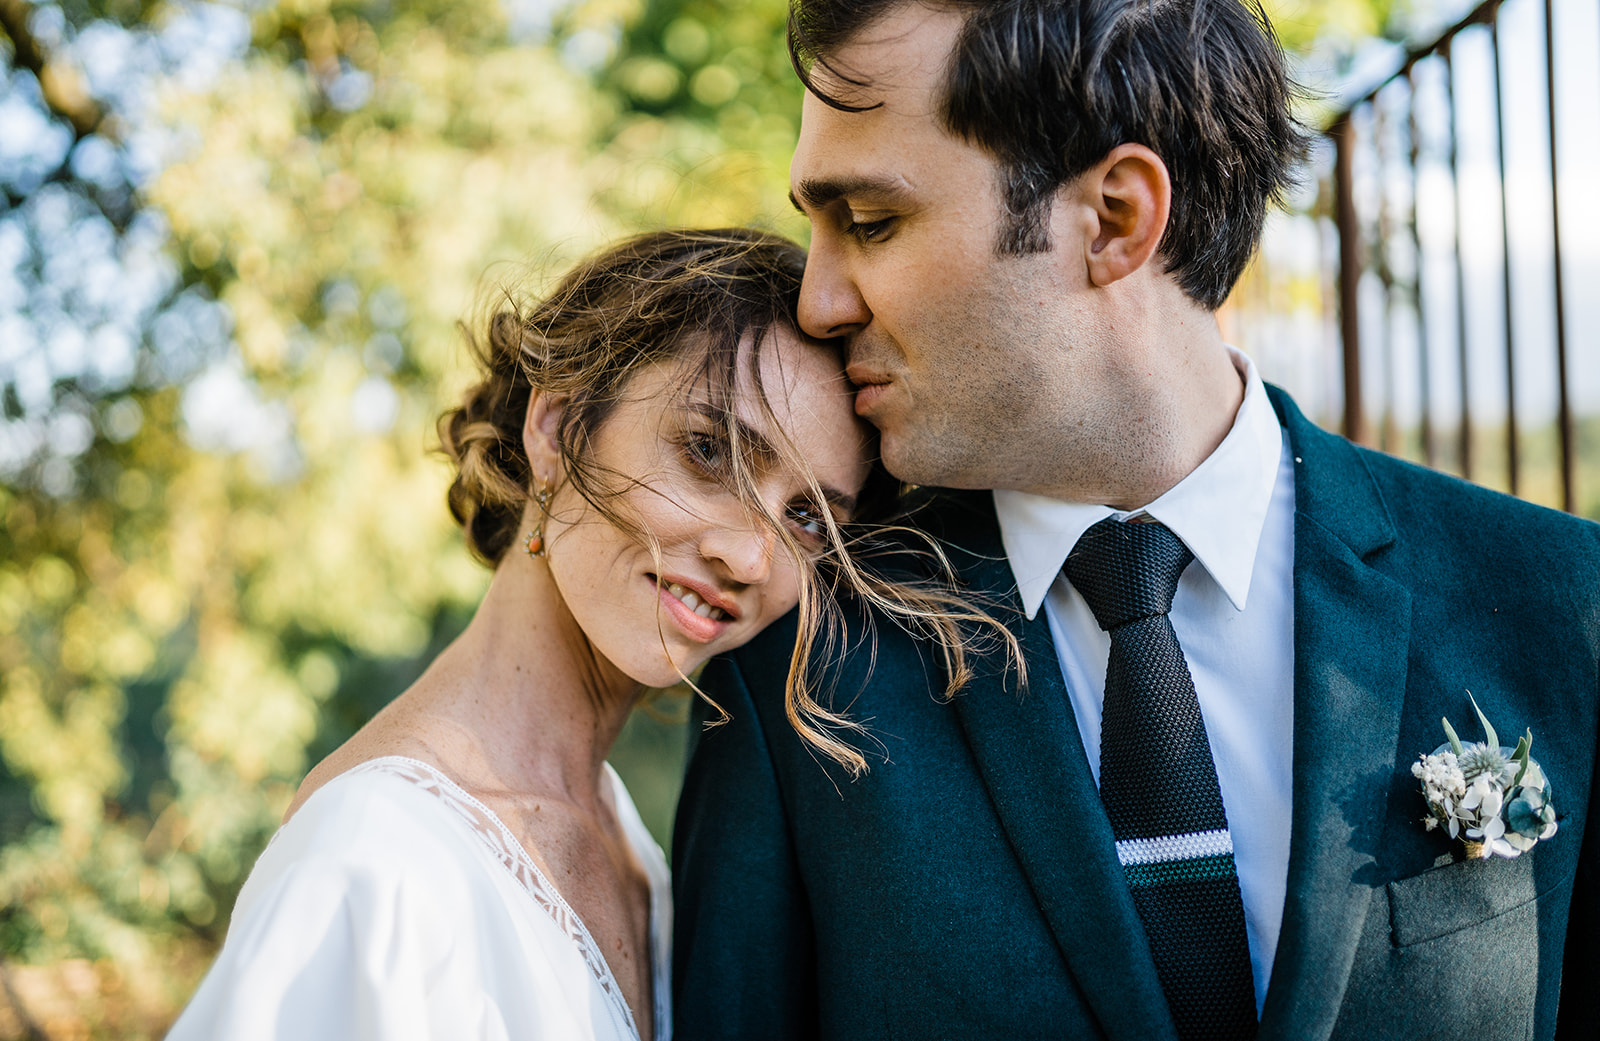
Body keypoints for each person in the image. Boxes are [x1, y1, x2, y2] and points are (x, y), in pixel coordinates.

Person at [671, 3, 1600, 1039]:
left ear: (1115, 217)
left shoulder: (1564, 601)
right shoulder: (798, 658)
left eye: (871, 221)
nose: (818, 303)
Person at [166, 227, 1002, 1041]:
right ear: (558, 425)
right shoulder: (374, 867)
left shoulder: (632, 851)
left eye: (808, 519)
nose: (750, 557)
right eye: (709, 452)